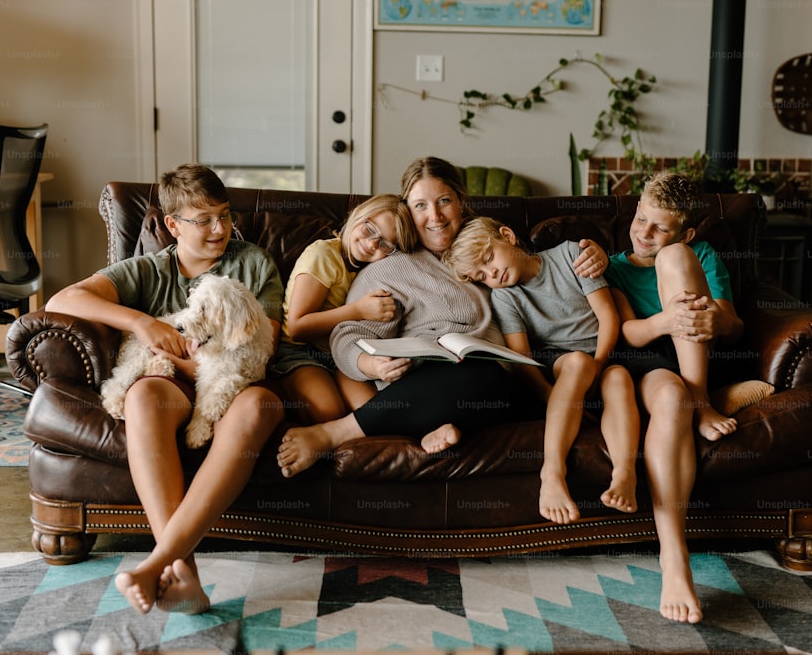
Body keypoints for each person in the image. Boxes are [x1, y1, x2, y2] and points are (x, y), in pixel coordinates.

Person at [46, 164, 285, 615]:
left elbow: (261, 349)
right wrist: (142, 322)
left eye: (225, 215)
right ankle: (186, 577)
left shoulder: (253, 262)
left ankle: (159, 563)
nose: (220, 228)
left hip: (241, 384)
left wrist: (187, 359)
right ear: (172, 225)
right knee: (142, 396)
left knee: (254, 410)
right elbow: (62, 301)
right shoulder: (149, 271)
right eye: (204, 220)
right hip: (174, 382)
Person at [275, 156, 608, 476]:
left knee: (504, 382)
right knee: (479, 377)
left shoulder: (486, 246)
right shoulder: (390, 268)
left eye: (444, 200)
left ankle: (438, 424)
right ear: (407, 209)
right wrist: (372, 365)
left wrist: (601, 258)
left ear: (461, 201)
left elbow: (544, 273)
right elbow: (347, 338)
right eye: (420, 205)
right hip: (439, 380)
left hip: (508, 382)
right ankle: (334, 433)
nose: (434, 216)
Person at [603, 171, 744, 624]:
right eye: (640, 219)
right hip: (649, 358)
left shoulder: (696, 251)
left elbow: (733, 321)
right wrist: (671, 319)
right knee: (670, 398)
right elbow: (630, 332)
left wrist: (714, 321)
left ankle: (701, 396)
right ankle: (674, 557)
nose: (643, 233)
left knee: (673, 261)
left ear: (685, 229)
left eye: (659, 227)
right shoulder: (612, 265)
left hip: (697, 350)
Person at [442, 216, 639, 525]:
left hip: (604, 357)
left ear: (507, 235)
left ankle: (624, 475)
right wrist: (549, 396)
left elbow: (608, 318)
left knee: (620, 378)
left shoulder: (571, 255)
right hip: (561, 364)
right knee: (577, 362)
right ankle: (552, 472)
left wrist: (600, 366)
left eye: (488, 258)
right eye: (482, 275)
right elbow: (522, 357)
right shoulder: (504, 296)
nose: (492, 273)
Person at [271, 194, 415, 423]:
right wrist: (359, 311)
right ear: (358, 216)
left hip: (341, 355)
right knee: (329, 410)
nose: (371, 244)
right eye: (370, 230)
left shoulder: (371, 268)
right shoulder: (324, 255)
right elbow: (298, 327)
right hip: (299, 350)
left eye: (386, 244)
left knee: (374, 411)